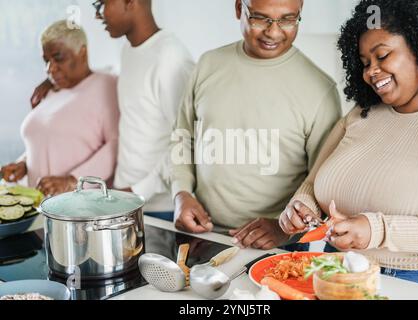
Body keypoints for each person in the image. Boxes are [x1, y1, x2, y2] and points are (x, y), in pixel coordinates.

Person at [279, 0, 418, 290]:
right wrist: (301, 208)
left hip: (415, 281)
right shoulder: (361, 113)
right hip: (335, 270)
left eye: (382, 55)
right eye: (365, 62)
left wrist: (376, 230)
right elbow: (311, 184)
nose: (371, 72)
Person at [171, 0, 342, 250]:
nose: (273, 32)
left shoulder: (320, 90)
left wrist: (283, 228)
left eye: (287, 19)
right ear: (239, 8)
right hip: (204, 235)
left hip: (277, 245)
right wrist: (181, 193)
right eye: (260, 18)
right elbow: (183, 137)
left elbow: (324, 183)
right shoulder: (207, 65)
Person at [94, 0, 194, 221]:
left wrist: (138, 190)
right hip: (127, 198)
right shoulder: (128, 50)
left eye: (101, 4)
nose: (97, 15)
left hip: (159, 207)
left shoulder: (171, 58)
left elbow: (186, 141)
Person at [1, 20, 119, 196]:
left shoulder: (107, 85)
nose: (50, 68)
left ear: (82, 51)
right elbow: (48, 143)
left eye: (58, 58)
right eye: (46, 60)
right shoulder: (49, 92)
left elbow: (116, 145)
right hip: (40, 207)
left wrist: (72, 181)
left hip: (81, 209)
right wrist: (24, 164)